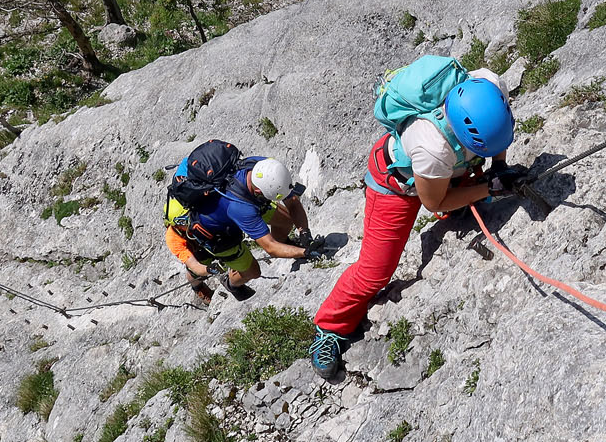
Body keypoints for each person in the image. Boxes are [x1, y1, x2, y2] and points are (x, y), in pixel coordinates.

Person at [310, 63, 520, 377]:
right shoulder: (431, 146)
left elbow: (498, 137)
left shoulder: (488, 86)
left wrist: (499, 168)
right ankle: (329, 328)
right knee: (375, 273)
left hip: (449, 169)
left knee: (468, 191)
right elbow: (433, 201)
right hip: (396, 185)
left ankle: (466, 185)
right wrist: (486, 188)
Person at [165, 153, 312, 305]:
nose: (186, 224)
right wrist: (209, 269)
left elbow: (291, 200)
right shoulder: (174, 238)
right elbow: (270, 247)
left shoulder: (263, 168)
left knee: (285, 221)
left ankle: (285, 242)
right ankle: (227, 284)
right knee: (252, 271)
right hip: (216, 235)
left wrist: (304, 231)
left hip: (241, 201)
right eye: (183, 223)